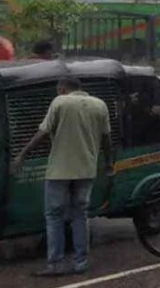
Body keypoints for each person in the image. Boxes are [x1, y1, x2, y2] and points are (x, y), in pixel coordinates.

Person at [11, 77, 111, 276]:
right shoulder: (100, 105)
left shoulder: (60, 102)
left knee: (54, 216)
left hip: (60, 170)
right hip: (86, 170)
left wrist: (21, 155)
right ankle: (80, 262)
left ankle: (55, 265)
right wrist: (108, 164)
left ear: (62, 88)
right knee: (80, 215)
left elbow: (42, 133)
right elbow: (106, 138)